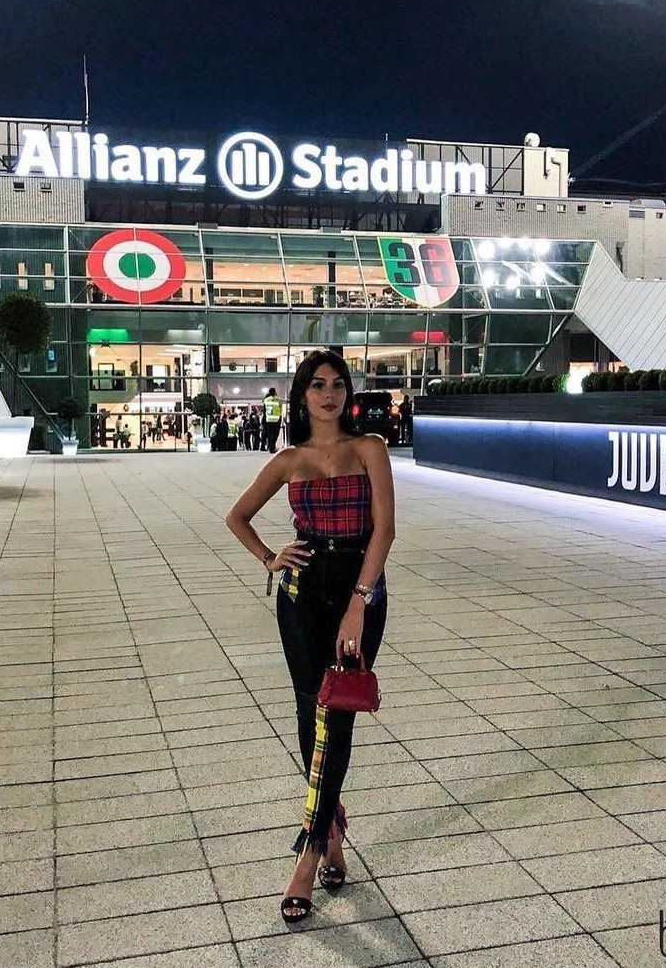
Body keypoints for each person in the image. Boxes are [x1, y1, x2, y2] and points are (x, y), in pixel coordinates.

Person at [225, 350, 395, 925]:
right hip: (300, 597)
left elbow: (386, 531)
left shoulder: (370, 447)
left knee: (337, 715)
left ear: (348, 393)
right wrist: (271, 557)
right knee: (308, 713)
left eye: (337, 384)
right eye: (317, 385)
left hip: (357, 591)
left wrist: (359, 603)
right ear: (302, 396)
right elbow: (237, 516)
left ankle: (307, 852)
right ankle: (333, 831)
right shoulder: (287, 460)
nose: (328, 394)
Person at [263, 388, 282, 453]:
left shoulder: (266, 400)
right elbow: (284, 402)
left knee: (270, 435)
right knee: (275, 434)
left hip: (268, 419)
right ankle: (272, 447)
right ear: (274, 392)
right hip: (276, 420)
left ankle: (271, 447)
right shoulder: (277, 399)